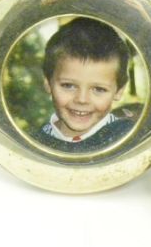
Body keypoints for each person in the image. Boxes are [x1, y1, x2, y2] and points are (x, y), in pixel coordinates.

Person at [35, 17, 134, 152]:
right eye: (68, 86)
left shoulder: (130, 138)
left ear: (119, 91)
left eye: (99, 89)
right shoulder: (33, 142)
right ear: (48, 83)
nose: (82, 99)